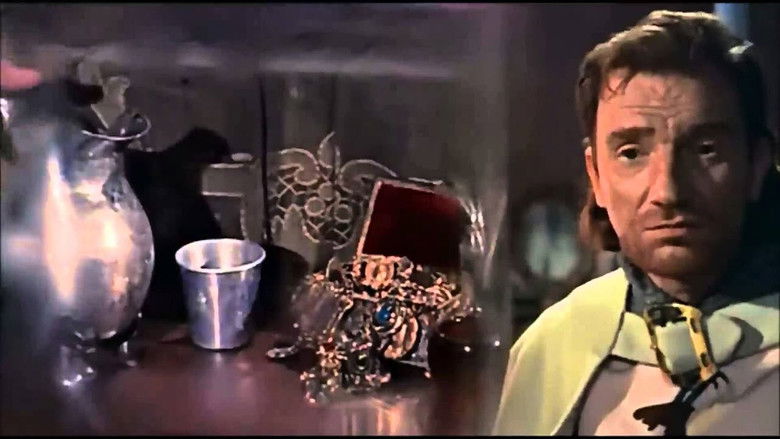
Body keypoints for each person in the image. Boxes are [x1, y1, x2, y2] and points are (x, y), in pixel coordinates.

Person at [493, 10, 779, 436]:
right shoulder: (552, 348)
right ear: (596, 177)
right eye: (631, 153)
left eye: (705, 149)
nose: (668, 190)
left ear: (756, 165)